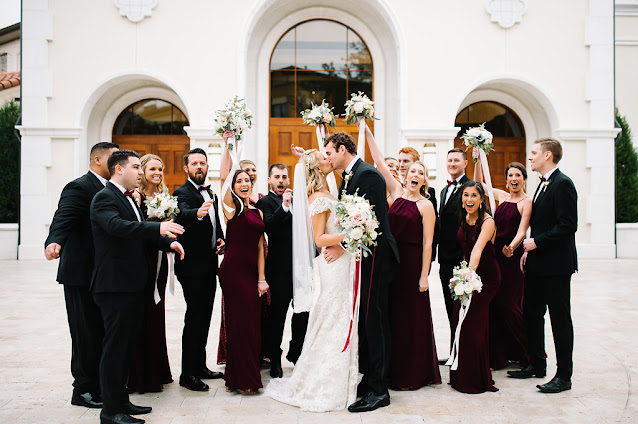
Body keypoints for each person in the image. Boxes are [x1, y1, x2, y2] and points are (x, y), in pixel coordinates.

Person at [90, 150, 185, 424]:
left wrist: (168, 242)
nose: (141, 172)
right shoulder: (105, 198)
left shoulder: (128, 198)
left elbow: (139, 233)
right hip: (114, 286)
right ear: (119, 170)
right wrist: (157, 229)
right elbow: (118, 227)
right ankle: (110, 411)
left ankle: (121, 401)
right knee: (114, 348)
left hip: (131, 285)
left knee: (126, 346)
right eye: (136, 167)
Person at [265, 149, 358, 412]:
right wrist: (352, 234)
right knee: (330, 317)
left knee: (339, 317)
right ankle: (323, 377)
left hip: (343, 263)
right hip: (332, 263)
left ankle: (346, 371)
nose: (330, 159)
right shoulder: (317, 199)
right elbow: (319, 240)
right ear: (317, 169)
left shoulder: (328, 192)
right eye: (324, 158)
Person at [323, 132, 399, 413]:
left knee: (375, 322)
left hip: (376, 259)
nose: (328, 157)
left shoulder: (368, 175)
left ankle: (380, 390)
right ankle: (370, 378)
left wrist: (342, 245)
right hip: (363, 258)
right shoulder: (350, 175)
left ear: (343, 149)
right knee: (368, 322)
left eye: (329, 152)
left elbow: (372, 222)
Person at [363, 125, 441, 390]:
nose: (415, 175)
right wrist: (366, 128)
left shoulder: (426, 205)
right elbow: (379, 162)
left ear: (424, 180)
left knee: (411, 319)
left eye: (421, 172)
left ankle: (413, 373)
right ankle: (389, 369)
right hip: (390, 262)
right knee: (390, 316)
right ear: (406, 175)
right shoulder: (395, 192)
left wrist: (424, 276)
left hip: (412, 265)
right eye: (413, 171)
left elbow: (429, 242)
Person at [44, 142, 118, 409]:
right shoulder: (79, 186)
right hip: (80, 274)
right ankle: (83, 390)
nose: (117, 163)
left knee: (100, 331)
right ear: (97, 159)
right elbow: (63, 217)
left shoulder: (112, 190)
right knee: (84, 332)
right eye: (113, 158)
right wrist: (54, 241)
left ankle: (101, 385)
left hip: (102, 274)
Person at [508, 138, 577, 394]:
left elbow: (568, 225)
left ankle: (564, 376)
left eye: (534, 153)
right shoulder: (541, 185)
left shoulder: (563, 184)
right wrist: (529, 251)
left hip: (557, 266)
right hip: (537, 264)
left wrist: (536, 242)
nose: (530, 157)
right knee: (531, 314)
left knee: (560, 320)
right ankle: (536, 363)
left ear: (548, 155)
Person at [173, 148, 225, 392]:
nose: (199, 167)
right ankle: (187, 374)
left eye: (202, 163)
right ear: (186, 168)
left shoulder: (210, 191)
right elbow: (182, 214)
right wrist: (197, 213)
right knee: (194, 318)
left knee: (204, 317)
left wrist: (221, 239)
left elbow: (215, 223)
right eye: (194, 163)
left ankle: (200, 365)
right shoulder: (181, 193)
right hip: (191, 268)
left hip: (209, 266)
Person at [472, 151, 531, 369]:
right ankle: (500, 355)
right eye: (510, 175)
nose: (514, 179)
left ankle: (527, 353)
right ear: (506, 180)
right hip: (495, 256)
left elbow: (522, 230)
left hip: (511, 258)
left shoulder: (527, 201)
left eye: (518, 175)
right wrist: (478, 159)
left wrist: (512, 247)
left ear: (524, 179)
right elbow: (478, 184)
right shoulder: (502, 197)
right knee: (495, 305)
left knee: (510, 306)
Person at [256, 163, 309, 378]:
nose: (281, 180)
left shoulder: (299, 200)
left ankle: (296, 353)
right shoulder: (265, 202)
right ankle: (275, 358)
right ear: (269, 180)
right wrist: (284, 207)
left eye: (284, 177)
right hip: (278, 270)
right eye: (276, 177)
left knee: (302, 313)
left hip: (301, 268)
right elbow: (269, 226)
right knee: (278, 316)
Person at [218, 169, 268, 395]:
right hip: (233, 271)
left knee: (251, 325)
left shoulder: (258, 211)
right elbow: (224, 178)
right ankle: (239, 380)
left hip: (251, 273)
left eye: (246, 180)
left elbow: (260, 246)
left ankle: (245, 377)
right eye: (238, 181)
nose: (243, 184)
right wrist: (231, 143)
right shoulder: (231, 208)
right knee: (238, 325)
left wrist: (261, 278)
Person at [127, 154, 173, 393]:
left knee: (157, 314)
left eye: (160, 169)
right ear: (142, 171)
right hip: (144, 260)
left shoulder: (165, 197)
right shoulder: (137, 197)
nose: (158, 173)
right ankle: (140, 375)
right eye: (153, 169)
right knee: (142, 315)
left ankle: (157, 370)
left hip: (160, 261)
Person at [450, 181, 500, 394]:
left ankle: (476, 379)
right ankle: (460, 374)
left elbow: (477, 250)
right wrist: (464, 275)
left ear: (482, 200)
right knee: (457, 318)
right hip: (469, 274)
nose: (468, 200)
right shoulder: (464, 217)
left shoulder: (487, 221)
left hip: (486, 278)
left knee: (472, 323)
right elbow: (465, 249)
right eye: (465, 195)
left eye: (473, 196)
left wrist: (468, 277)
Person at [438, 148, 471, 330]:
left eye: (456, 160)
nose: (452, 164)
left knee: (462, 309)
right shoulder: (444, 191)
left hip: (461, 259)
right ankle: (454, 353)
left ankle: (462, 355)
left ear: (465, 163)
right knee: (450, 308)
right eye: (449, 160)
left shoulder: (470, 188)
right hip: (445, 259)